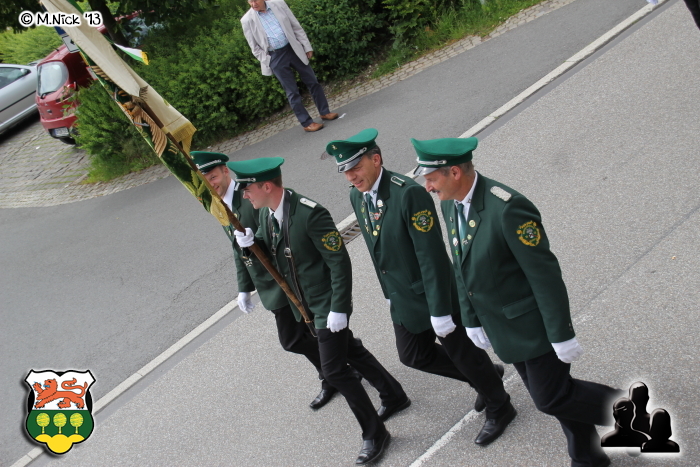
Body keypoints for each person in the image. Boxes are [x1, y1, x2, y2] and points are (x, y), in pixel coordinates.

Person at [413, 137, 622, 467]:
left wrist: (562, 333)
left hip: (534, 325)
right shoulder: (451, 204)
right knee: (560, 395)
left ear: (454, 172)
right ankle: (587, 457)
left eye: (431, 178)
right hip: (503, 326)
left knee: (551, 398)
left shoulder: (508, 208)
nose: (427, 187)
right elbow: (461, 266)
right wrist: (471, 318)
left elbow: (544, 276)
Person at [325, 128, 515, 446]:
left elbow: (431, 256)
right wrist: (388, 293)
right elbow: (375, 249)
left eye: (356, 167)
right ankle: (486, 376)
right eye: (345, 171)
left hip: (434, 292)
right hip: (402, 296)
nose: (351, 176)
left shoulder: (407, 194)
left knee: (464, 354)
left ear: (376, 159)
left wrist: (440, 311)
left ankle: (500, 406)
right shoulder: (357, 196)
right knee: (413, 355)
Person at [230, 157, 408, 465]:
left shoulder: (310, 214)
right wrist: (249, 243)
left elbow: (339, 262)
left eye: (248, 190)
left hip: (326, 303)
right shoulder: (266, 215)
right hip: (304, 304)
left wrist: (339, 307)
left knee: (336, 370)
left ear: (267, 186)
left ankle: (375, 433)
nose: (244, 195)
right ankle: (393, 394)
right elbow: (270, 250)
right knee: (350, 350)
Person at [191, 151, 342, 411]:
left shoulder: (248, 199)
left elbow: (273, 239)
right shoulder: (220, 204)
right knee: (304, 336)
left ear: (225, 171)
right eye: (205, 180)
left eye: (213, 176)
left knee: (296, 338)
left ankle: (337, 368)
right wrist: (244, 288)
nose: (210, 183)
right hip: (267, 284)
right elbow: (238, 247)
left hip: (282, 281)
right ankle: (333, 372)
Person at [241, 0, 338, 132]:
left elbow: (295, 26)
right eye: (250, 1)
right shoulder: (247, 20)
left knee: (312, 81)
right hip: (275, 56)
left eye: (255, 0)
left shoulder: (278, 4)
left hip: (293, 48)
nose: (253, 4)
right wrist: (268, 60)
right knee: (292, 91)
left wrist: (306, 46)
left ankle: (324, 112)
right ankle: (307, 123)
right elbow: (254, 47)